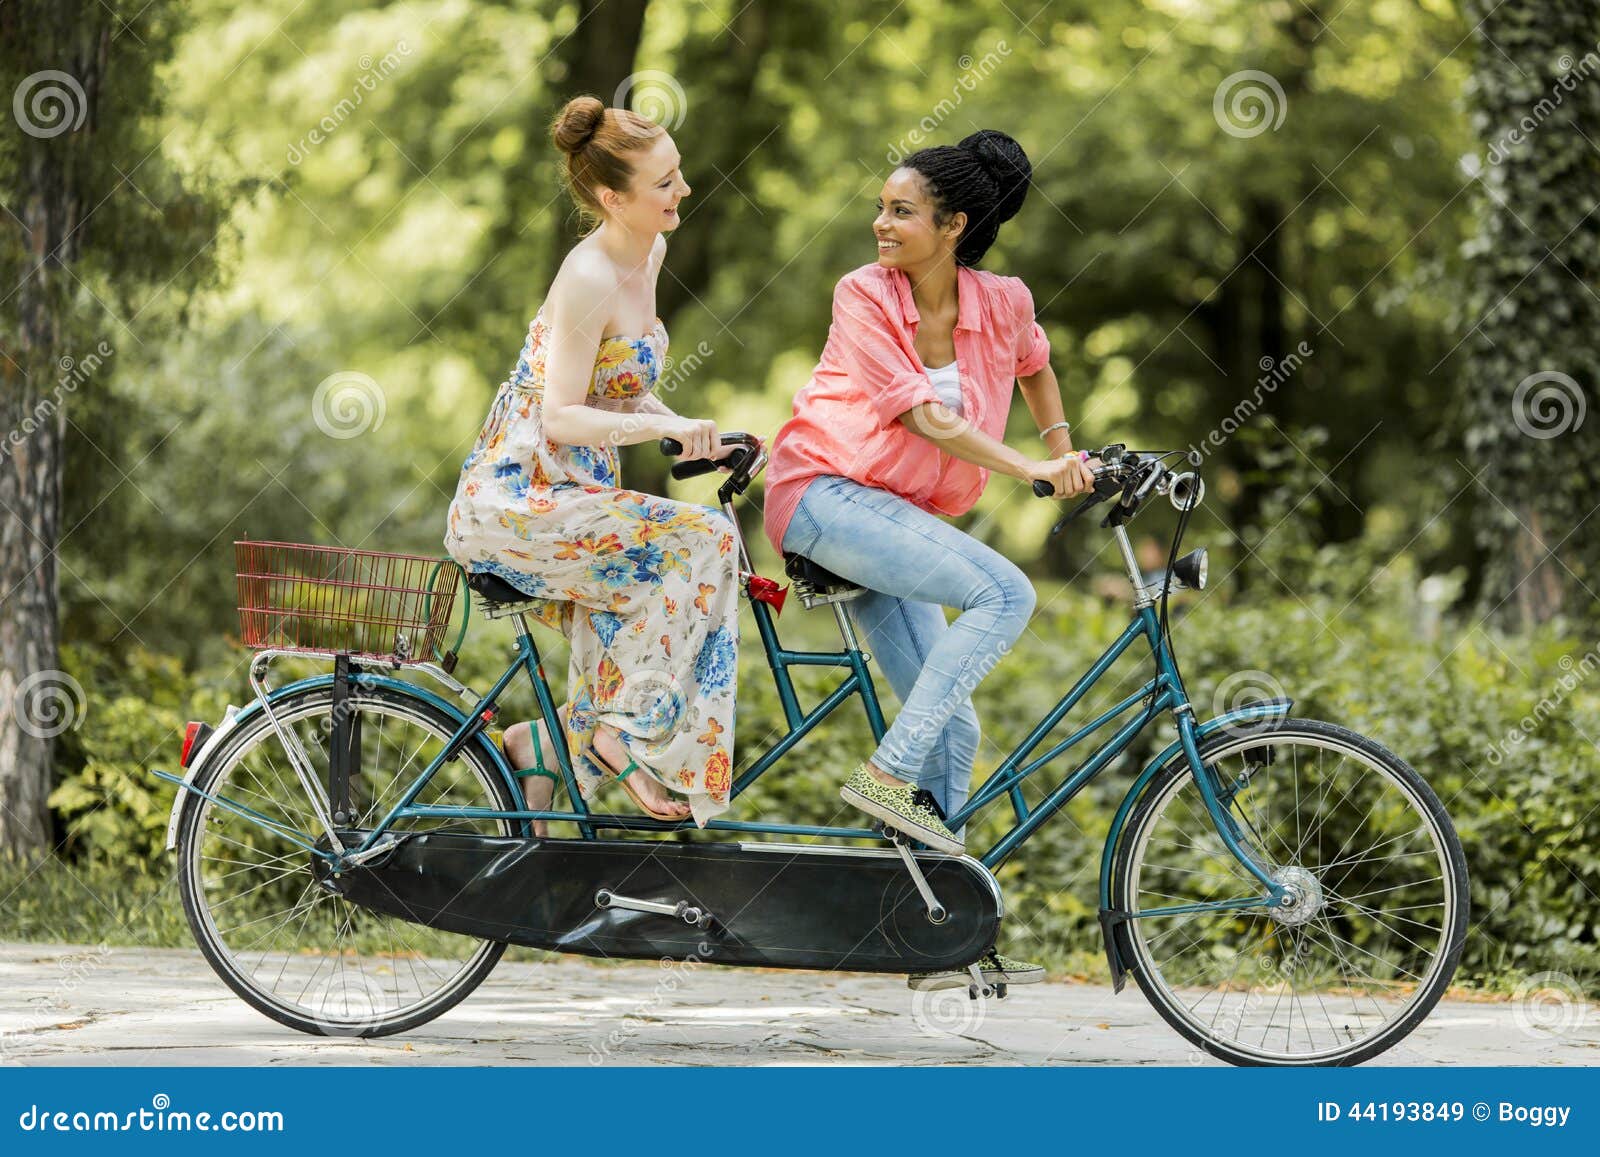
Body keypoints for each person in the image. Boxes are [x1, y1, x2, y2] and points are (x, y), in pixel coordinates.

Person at [762, 129, 1093, 990]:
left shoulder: (1005, 302)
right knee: (1005, 592)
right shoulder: (864, 294)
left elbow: (1038, 370)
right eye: (883, 207)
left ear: (954, 224)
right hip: (825, 496)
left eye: (900, 211)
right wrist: (1031, 469)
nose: (880, 223)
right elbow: (919, 417)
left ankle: (933, 942)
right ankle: (884, 775)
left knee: (956, 729)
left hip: (897, 516)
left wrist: (1068, 451)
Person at [445, 95, 743, 833]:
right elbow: (560, 415)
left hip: (579, 484)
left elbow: (626, 386)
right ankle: (622, 737)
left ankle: (541, 749)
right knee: (706, 539)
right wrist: (658, 429)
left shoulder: (653, 250)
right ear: (613, 197)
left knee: (655, 591)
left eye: (677, 174)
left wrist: (683, 427)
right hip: (521, 493)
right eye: (664, 183)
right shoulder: (587, 275)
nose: (683, 191)